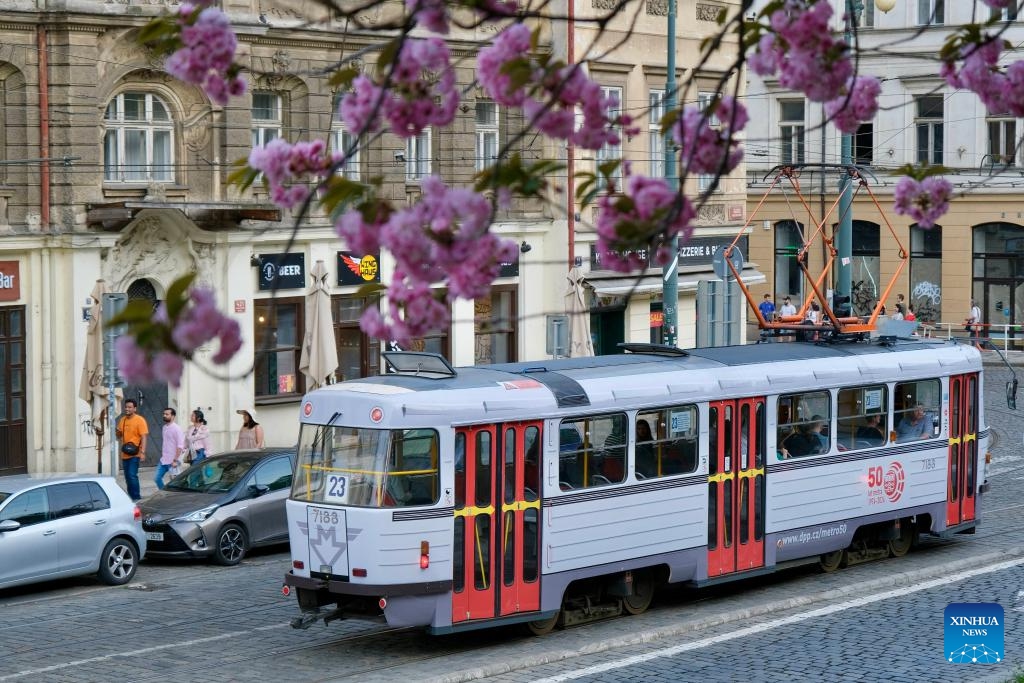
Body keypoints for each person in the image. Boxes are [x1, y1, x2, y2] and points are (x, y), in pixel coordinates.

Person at [115, 398, 149, 501]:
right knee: (127, 477)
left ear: (135, 408)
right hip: (125, 453)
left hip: (135, 453)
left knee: (132, 475)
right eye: (126, 407)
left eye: (130, 407)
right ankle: (131, 497)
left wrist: (143, 452)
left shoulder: (140, 420)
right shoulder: (122, 420)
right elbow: (119, 436)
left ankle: (136, 498)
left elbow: (144, 437)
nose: (127, 409)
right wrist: (116, 431)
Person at [156, 407, 187, 490]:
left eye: (167, 414)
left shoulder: (177, 429)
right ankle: (164, 493)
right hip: (164, 460)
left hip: (173, 461)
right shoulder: (164, 427)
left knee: (174, 483)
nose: (164, 415)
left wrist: (175, 460)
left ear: (173, 416)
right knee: (157, 478)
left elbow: (180, 446)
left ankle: (178, 496)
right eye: (164, 414)